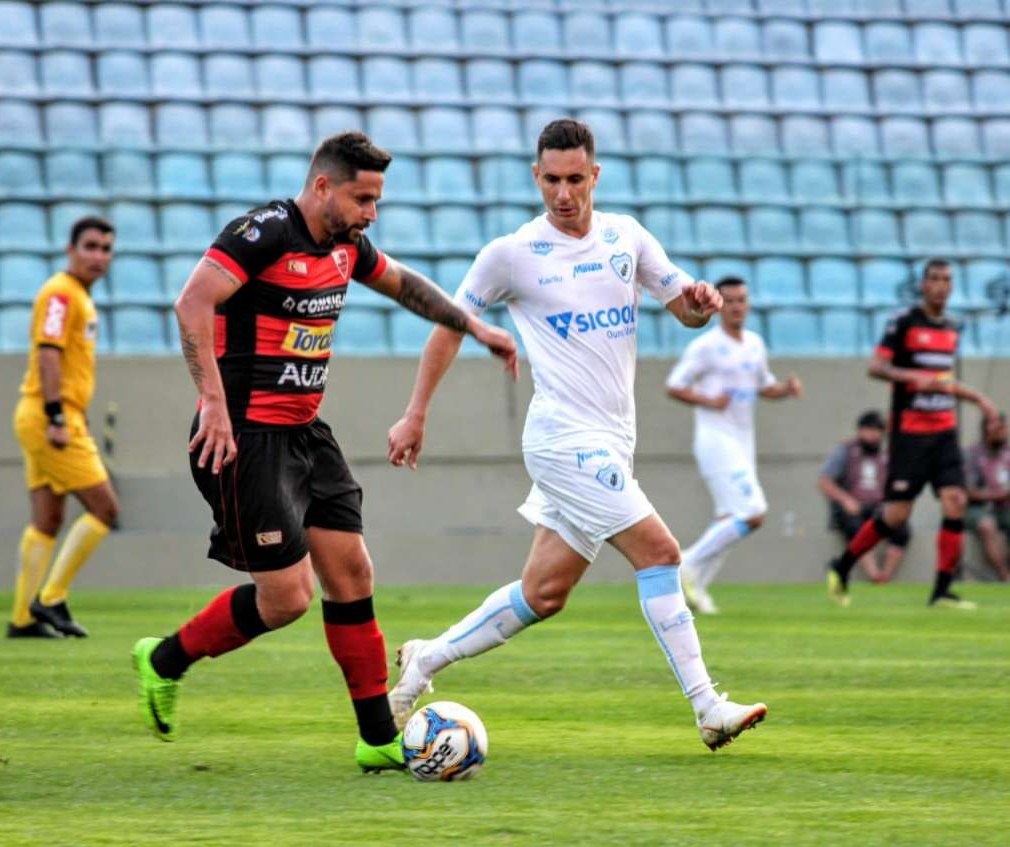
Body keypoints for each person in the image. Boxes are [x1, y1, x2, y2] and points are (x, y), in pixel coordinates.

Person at [130, 132, 517, 772]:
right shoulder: (262, 234)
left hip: (306, 432)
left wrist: (471, 325)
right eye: (363, 199)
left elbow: (401, 284)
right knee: (287, 599)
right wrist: (215, 403)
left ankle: (374, 737)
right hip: (243, 437)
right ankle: (164, 659)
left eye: (376, 202)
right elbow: (192, 302)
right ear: (322, 187)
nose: (370, 213)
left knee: (353, 573)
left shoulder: (345, 244)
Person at [386, 119, 767, 752]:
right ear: (537, 178)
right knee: (662, 554)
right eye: (552, 181)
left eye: (575, 179)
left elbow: (687, 309)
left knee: (544, 593)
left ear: (595, 176)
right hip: (562, 438)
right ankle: (707, 707)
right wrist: (416, 412)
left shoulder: (626, 237)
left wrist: (700, 300)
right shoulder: (511, 254)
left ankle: (425, 659)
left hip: (613, 440)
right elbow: (449, 321)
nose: (564, 194)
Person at [826, 259, 997, 609]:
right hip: (910, 434)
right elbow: (877, 368)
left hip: (945, 430)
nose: (940, 286)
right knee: (896, 516)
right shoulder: (903, 322)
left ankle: (942, 591)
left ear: (951, 286)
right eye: (934, 279)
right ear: (923, 285)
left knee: (956, 501)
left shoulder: (951, 327)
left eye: (947, 280)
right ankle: (841, 566)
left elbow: (942, 381)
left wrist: (978, 398)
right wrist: (911, 379)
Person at [8, 216, 120, 640]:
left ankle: (22, 619)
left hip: (47, 412)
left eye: (106, 248)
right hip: (48, 415)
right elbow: (49, 355)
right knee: (105, 509)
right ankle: (51, 598)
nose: (99, 256)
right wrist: (58, 415)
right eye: (90, 246)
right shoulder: (61, 294)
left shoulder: (76, 296)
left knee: (47, 520)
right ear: (70, 249)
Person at [665, 277, 802, 614]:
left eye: (743, 299)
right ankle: (686, 564)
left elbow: (763, 385)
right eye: (731, 300)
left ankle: (696, 590)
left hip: (743, 440)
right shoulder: (706, 346)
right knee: (752, 513)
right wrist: (709, 401)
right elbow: (675, 385)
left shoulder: (754, 344)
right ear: (719, 304)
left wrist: (784, 389)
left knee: (729, 518)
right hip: (715, 439)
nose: (738, 306)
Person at [818, 410, 910, 584]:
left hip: (878, 507)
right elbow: (824, 481)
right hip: (853, 507)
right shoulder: (846, 450)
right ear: (860, 430)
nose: (873, 435)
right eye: (869, 429)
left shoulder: (886, 455)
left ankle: (884, 577)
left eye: (878, 430)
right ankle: (873, 574)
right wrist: (845, 500)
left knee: (901, 528)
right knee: (856, 527)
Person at [965, 412, 1010, 581]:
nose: (1004, 433)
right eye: (999, 429)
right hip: (977, 508)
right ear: (987, 430)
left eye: (1004, 429)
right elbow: (967, 491)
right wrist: (999, 495)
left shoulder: (1008, 454)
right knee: (987, 525)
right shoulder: (972, 454)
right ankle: (1005, 575)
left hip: (1005, 508)